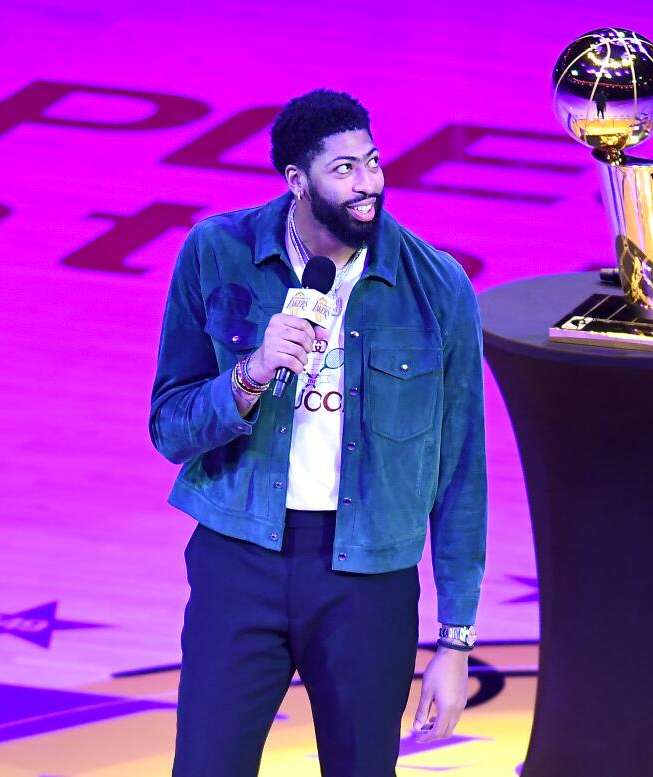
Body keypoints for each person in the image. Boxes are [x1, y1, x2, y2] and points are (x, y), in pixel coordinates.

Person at [149, 89, 487, 777]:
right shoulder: (217, 253)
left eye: (372, 161)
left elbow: (460, 474)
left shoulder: (438, 287)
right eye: (343, 170)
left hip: (367, 577)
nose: (367, 184)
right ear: (296, 182)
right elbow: (169, 426)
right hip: (240, 557)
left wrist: (456, 641)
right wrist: (249, 373)